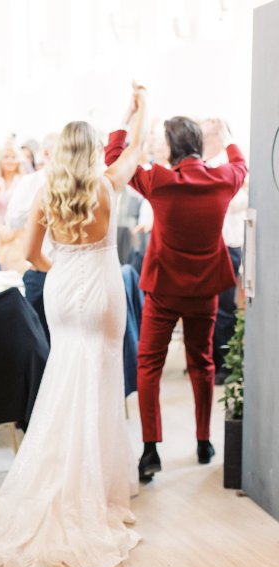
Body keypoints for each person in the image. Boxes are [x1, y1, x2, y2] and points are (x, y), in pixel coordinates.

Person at [0, 84, 147, 567]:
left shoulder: (49, 192)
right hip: (101, 292)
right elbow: (133, 149)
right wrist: (139, 108)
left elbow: (31, 255)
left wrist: (65, 269)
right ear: (91, 152)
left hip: (63, 288)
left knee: (65, 375)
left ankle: (58, 475)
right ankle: (97, 492)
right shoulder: (107, 188)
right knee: (98, 383)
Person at [105, 111, 247, 481]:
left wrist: (127, 118)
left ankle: (151, 448)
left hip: (164, 291)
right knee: (202, 364)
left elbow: (113, 160)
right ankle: (204, 441)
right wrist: (228, 135)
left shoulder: (159, 181)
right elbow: (240, 163)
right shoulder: (223, 180)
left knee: (149, 364)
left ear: (173, 148)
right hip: (204, 292)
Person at [202, 118, 248, 384]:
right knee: (209, 306)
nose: (206, 139)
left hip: (228, 245)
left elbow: (238, 200)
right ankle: (212, 360)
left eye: (211, 134)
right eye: (204, 134)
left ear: (221, 136)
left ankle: (225, 365)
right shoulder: (204, 164)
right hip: (208, 247)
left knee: (224, 308)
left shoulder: (227, 163)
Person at [6, 132, 59, 339]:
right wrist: (39, 206)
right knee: (39, 340)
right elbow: (12, 221)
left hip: (67, 275)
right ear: (46, 154)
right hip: (40, 272)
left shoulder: (78, 184)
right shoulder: (31, 183)